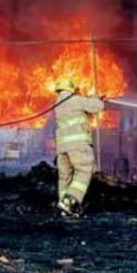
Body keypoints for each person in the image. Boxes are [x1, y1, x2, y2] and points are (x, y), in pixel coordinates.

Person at [51, 79, 105, 217]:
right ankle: (70, 202)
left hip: (62, 149)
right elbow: (97, 106)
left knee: (65, 177)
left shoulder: (58, 105)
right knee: (83, 171)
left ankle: (64, 208)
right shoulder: (75, 100)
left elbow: (78, 114)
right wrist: (95, 98)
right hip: (78, 146)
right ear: (71, 89)